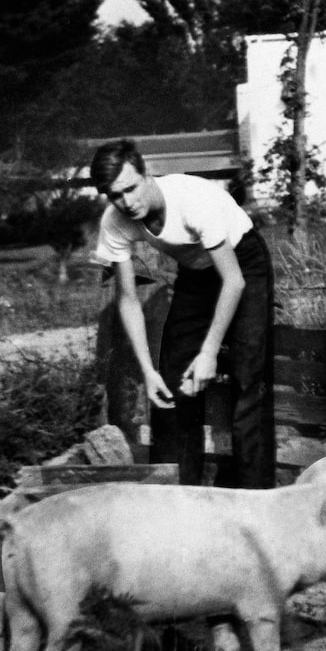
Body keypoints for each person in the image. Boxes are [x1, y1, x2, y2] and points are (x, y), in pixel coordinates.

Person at [90, 139, 275, 488]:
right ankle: (177, 496)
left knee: (247, 378)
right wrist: (147, 372)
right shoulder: (114, 222)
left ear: (146, 174)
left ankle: (257, 499)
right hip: (195, 271)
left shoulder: (193, 201)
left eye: (131, 189)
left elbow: (233, 282)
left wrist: (208, 353)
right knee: (172, 381)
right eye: (115, 195)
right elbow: (128, 299)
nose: (127, 203)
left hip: (243, 264)